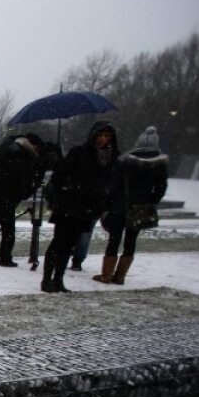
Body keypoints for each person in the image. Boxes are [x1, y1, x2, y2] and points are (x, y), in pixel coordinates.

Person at [39, 120, 120, 293]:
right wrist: (71, 188)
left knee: (70, 245)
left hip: (87, 208)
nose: (102, 139)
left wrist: (103, 200)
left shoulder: (111, 159)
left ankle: (58, 279)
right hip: (69, 206)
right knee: (59, 243)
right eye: (100, 135)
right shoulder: (80, 153)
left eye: (106, 136)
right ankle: (47, 279)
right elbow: (60, 176)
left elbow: (110, 183)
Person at [94, 126, 169, 285]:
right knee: (131, 240)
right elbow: (161, 188)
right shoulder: (160, 164)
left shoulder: (125, 161)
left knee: (114, 239)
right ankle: (120, 276)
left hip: (120, 205)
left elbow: (114, 185)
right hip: (141, 208)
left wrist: (107, 204)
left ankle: (106, 274)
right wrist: (150, 201)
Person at [0, 132, 55, 267]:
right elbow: (25, 186)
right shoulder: (23, 157)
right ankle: (5, 258)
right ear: (33, 146)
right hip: (4, 198)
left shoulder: (7, 148)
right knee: (8, 230)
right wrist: (39, 181)